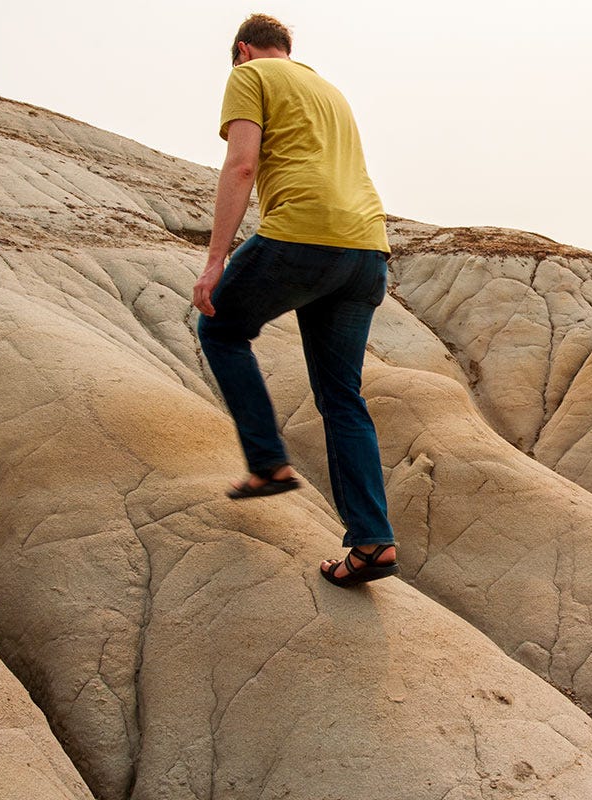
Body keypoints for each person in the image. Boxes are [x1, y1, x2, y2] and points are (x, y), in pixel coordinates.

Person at [193, 13, 397, 586]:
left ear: (242, 50)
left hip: (301, 236)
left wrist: (215, 261)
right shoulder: (328, 89)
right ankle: (372, 542)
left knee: (221, 330)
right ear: (290, 48)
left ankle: (266, 462)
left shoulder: (249, 76)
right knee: (341, 397)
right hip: (366, 250)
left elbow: (241, 164)